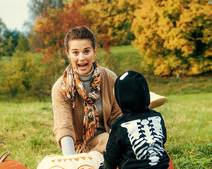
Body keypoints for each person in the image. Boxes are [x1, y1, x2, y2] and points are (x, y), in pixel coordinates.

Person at [51, 26, 167, 156]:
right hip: (81, 147)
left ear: (94, 51)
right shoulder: (60, 88)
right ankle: (96, 159)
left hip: (113, 138)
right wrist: (70, 160)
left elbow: (120, 115)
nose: (82, 58)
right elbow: (64, 126)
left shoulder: (110, 78)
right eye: (75, 53)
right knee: (106, 140)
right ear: (68, 54)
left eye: (86, 51)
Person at [98, 70, 180, 169]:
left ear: (120, 99)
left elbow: (111, 157)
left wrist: (105, 168)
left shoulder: (120, 125)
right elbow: (162, 141)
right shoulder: (157, 116)